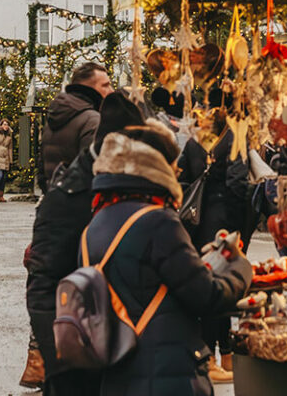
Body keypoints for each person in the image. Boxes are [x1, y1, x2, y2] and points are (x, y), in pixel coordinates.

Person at [85, 119, 252, 396]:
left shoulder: (96, 224)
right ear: (155, 165)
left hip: (117, 375)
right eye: (172, 161)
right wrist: (239, 267)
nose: (178, 169)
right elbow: (206, 296)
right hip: (166, 375)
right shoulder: (158, 222)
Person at [26, 90, 143, 396]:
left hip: (123, 352)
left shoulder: (125, 186)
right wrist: (61, 360)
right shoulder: (66, 197)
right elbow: (42, 286)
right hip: (77, 361)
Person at [178, 105, 253, 384]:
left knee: (212, 284)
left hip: (198, 224)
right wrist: (239, 227)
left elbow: (182, 178)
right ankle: (213, 358)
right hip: (222, 223)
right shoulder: (233, 137)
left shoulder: (194, 141)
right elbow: (238, 184)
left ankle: (224, 357)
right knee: (221, 289)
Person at [38, 61, 113, 191]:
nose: (111, 90)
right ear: (90, 88)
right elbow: (93, 172)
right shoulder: (92, 119)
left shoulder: (55, 115)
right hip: (81, 204)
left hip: (55, 200)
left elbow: (41, 171)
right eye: (105, 85)